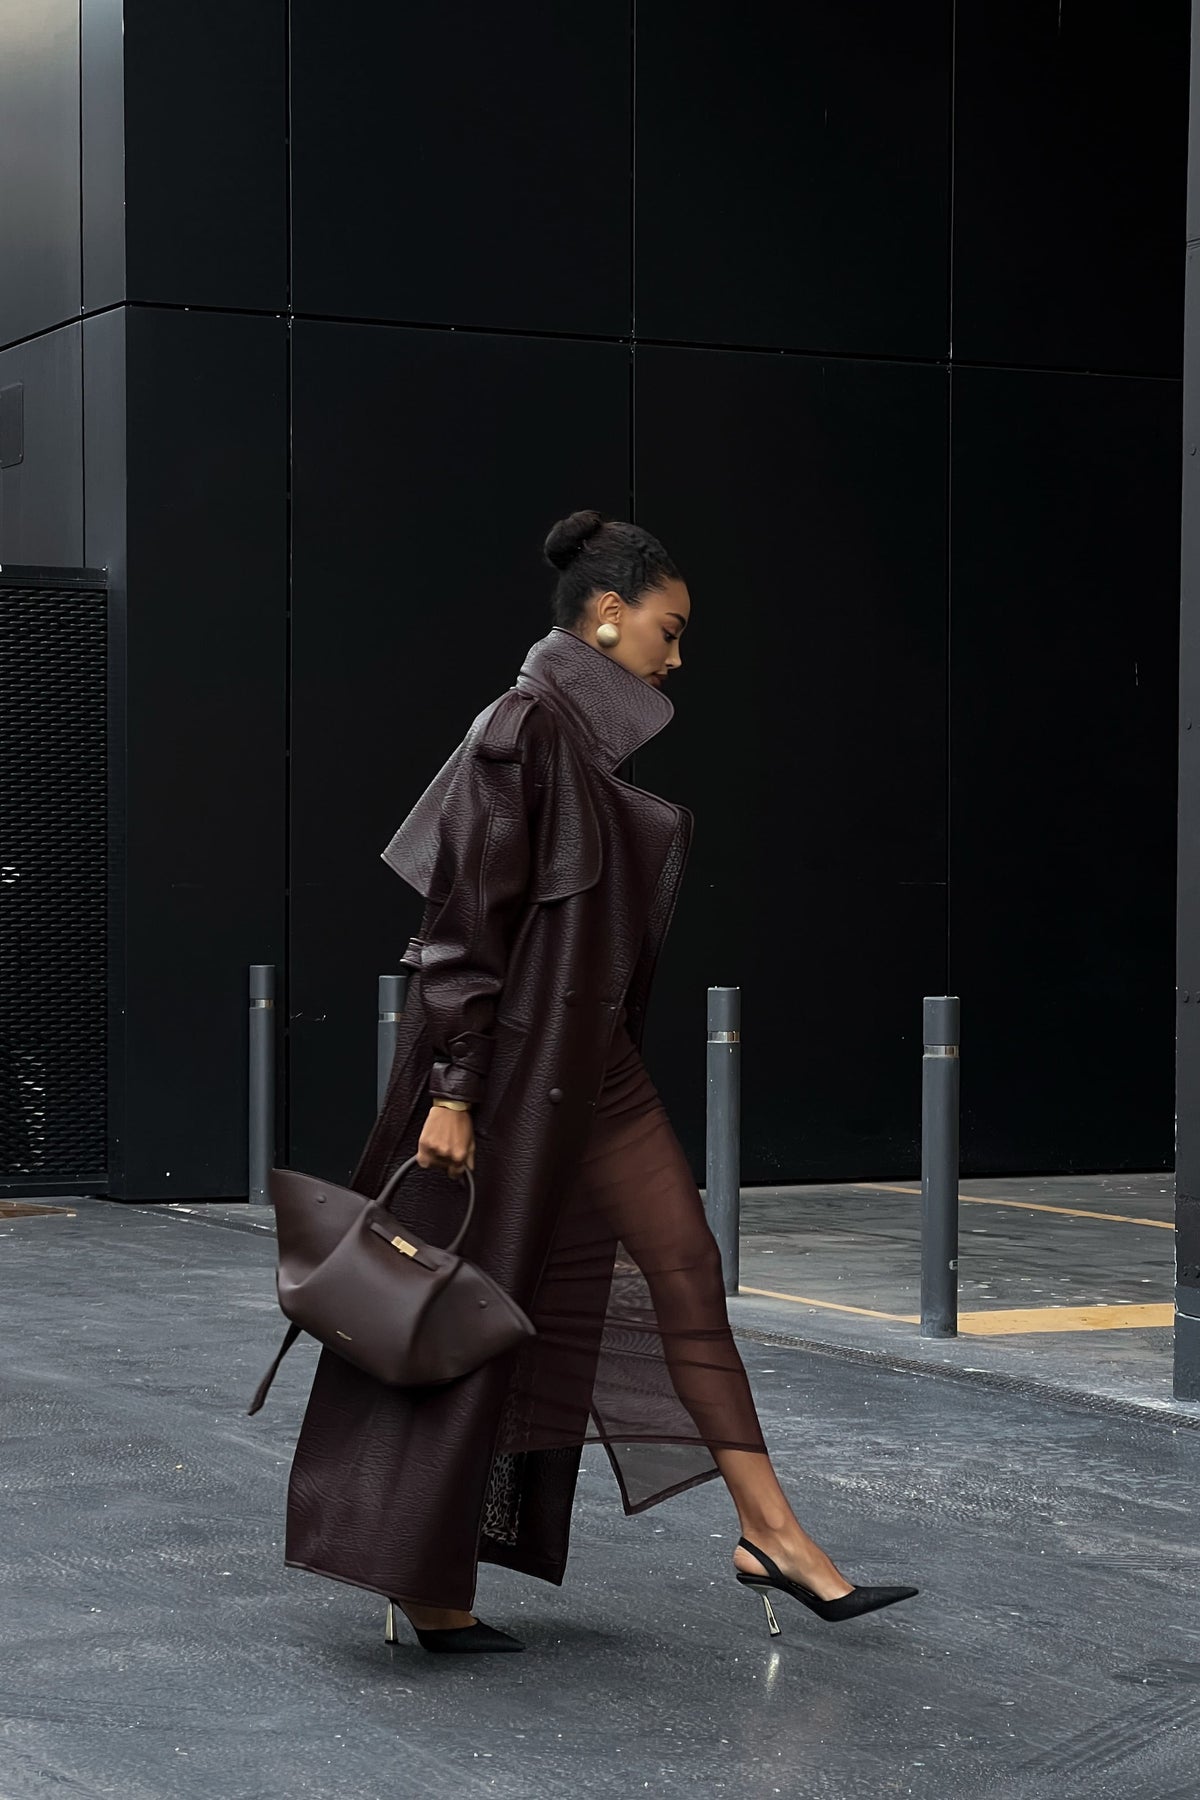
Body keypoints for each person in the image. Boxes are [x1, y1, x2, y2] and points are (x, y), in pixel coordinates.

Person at [284, 511, 917, 1653]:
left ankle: (769, 1533)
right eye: (668, 632)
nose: (678, 658)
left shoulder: (572, 739)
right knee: (461, 1312)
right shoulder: (519, 728)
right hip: (514, 1078)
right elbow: (460, 928)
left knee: (685, 1263)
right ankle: (424, 1580)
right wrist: (453, 1087)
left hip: (592, 1071)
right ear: (607, 615)